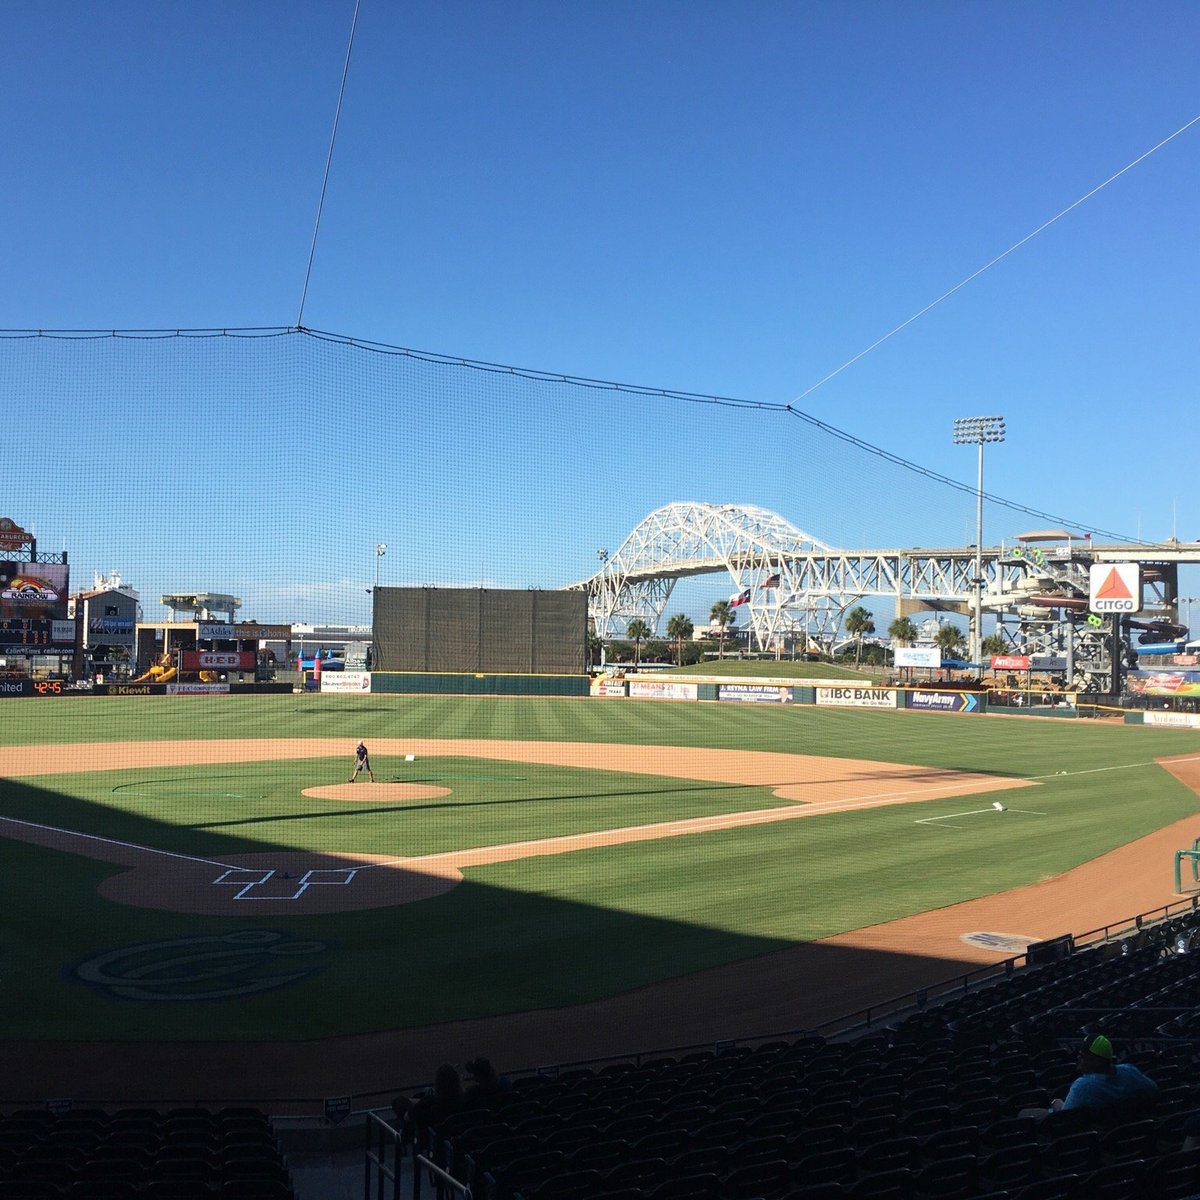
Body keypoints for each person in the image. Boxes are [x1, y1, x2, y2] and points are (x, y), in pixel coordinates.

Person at [1022, 1035, 1158, 1121]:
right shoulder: (1129, 1070)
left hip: (1090, 1126)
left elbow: (1065, 1116)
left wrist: (1056, 1103)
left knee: (1024, 1114)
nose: (1078, 1058)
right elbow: (1154, 1089)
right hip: (1124, 1123)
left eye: (1082, 1056)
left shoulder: (1084, 1085)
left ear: (1096, 1060)